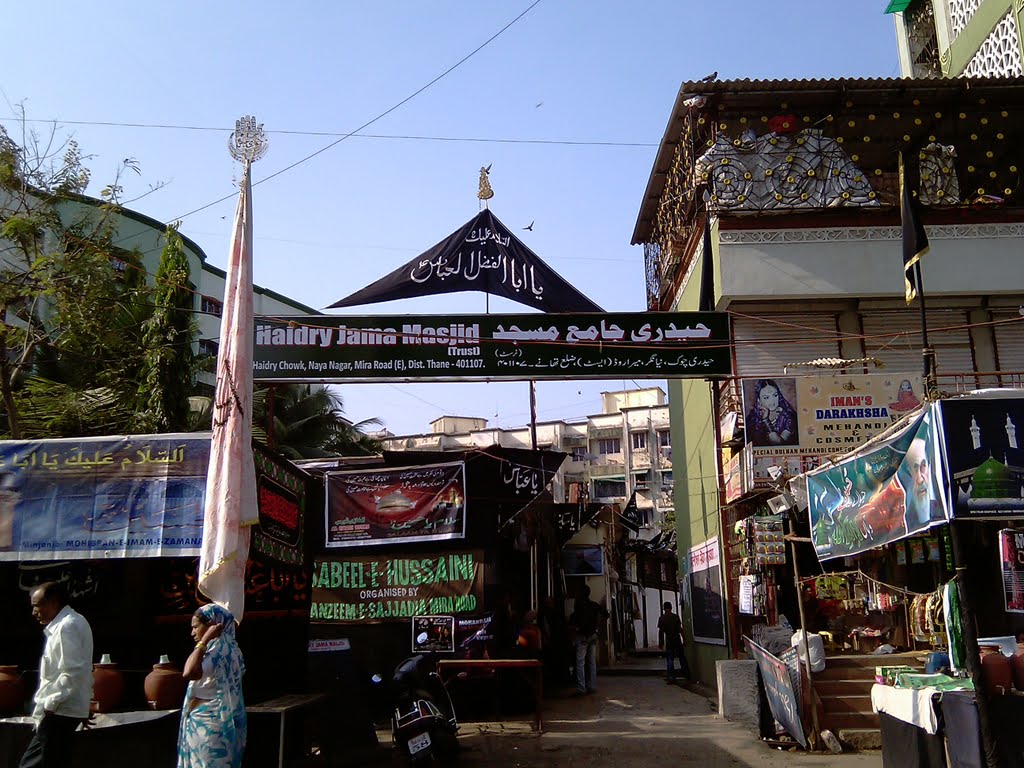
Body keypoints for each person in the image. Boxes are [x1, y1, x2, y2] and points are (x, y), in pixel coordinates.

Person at [19, 581, 93, 768]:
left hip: (59, 711)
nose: (34, 612)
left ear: (53, 603)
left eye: (38, 606)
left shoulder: (66, 626)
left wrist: (51, 704)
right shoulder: (73, 622)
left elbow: (73, 671)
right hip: (65, 709)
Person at [178, 604, 247, 768]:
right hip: (209, 725)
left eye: (196, 627)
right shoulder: (233, 650)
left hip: (209, 728)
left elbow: (188, 672)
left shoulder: (217, 652)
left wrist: (203, 640)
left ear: (212, 624)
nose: (192, 632)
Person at [568, 584, 608, 696]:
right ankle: (592, 686)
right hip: (593, 635)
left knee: (580, 662)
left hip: (582, 636)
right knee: (591, 661)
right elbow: (606, 614)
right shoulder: (594, 605)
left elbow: (574, 620)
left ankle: (581, 688)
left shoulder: (579, 606)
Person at [903, 436, 939, 532]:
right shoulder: (904, 518)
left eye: (923, 466)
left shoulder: (943, 507)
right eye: (914, 469)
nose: (920, 479)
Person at [746, 379, 798, 446]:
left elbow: (777, 443)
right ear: (759, 400)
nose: (772, 400)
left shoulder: (788, 417)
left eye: (775, 395)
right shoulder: (753, 417)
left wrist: (766, 420)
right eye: (766, 398)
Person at [657, 602, 689, 683]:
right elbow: (680, 629)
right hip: (677, 640)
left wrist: (661, 643)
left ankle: (671, 676)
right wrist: (684, 639)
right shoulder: (675, 617)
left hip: (669, 641)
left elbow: (661, 632)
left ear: (664, 608)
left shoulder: (662, 618)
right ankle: (686, 674)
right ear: (671, 608)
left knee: (670, 659)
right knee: (682, 658)